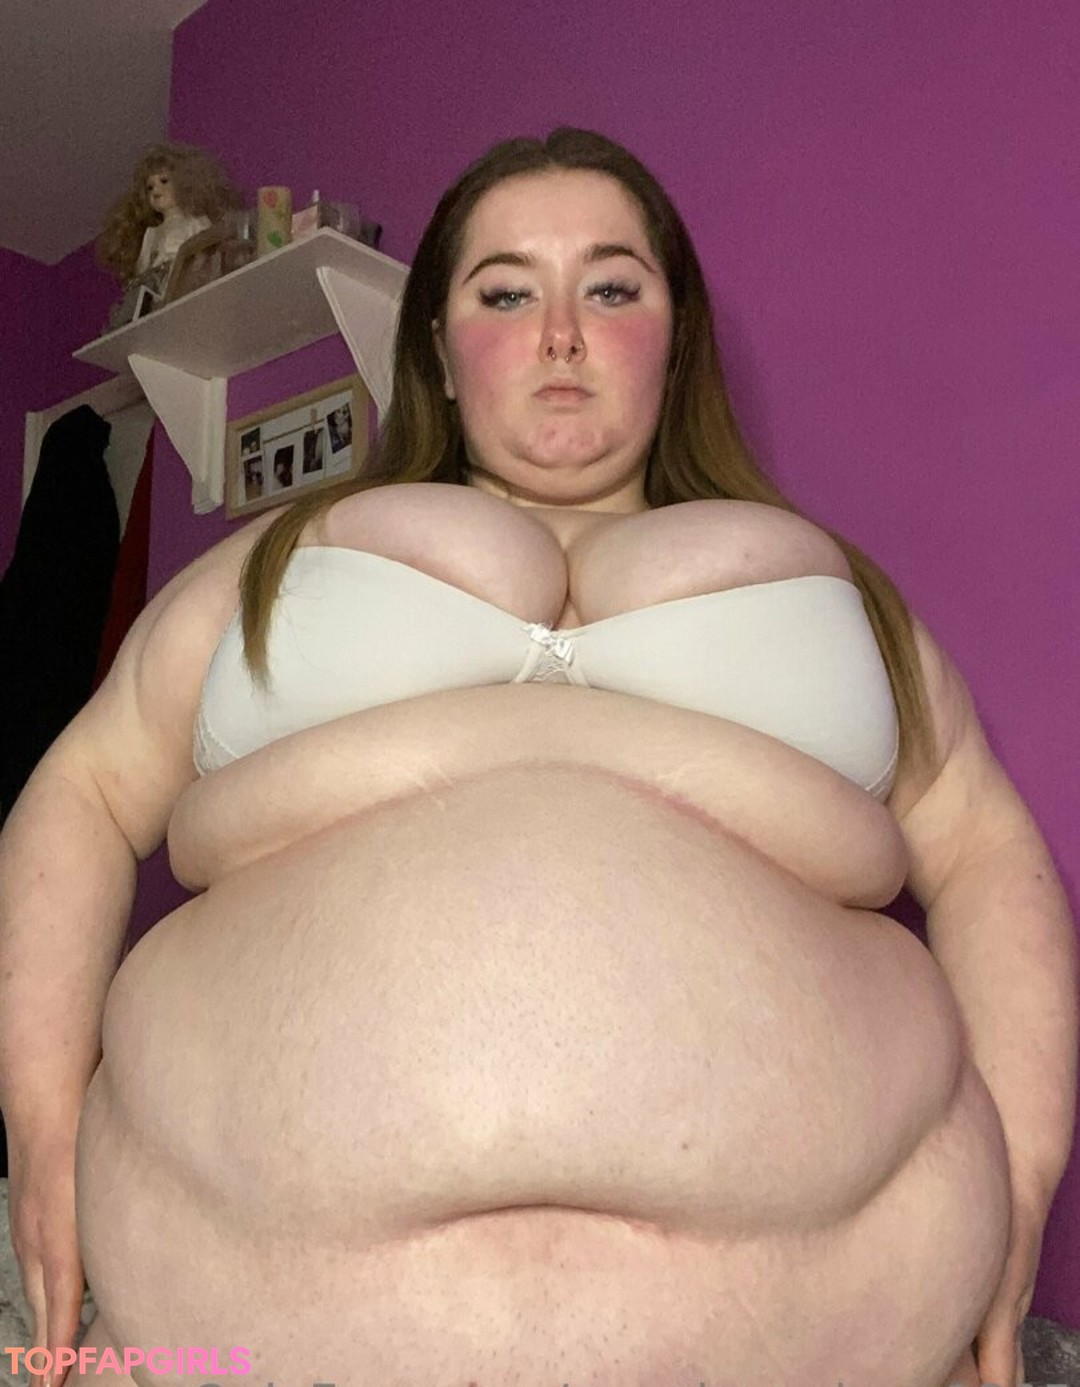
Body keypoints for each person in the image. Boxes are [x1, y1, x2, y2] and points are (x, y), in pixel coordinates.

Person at [1, 128, 1076, 1387]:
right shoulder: (280, 560)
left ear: (676, 340)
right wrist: (42, 1127)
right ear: (439, 352)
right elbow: (79, 791)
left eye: (612, 288)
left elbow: (986, 845)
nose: (561, 333)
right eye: (506, 293)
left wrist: (1020, 1185)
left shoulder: (833, 594)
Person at [95, 142, 244, 286]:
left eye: (164, 181)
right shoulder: (151, 234)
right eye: (150, 187)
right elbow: (143, 271)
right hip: (161, 293)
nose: (156, 190)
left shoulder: (195, 221)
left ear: (183, 182)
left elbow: (209, 255)